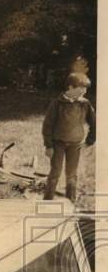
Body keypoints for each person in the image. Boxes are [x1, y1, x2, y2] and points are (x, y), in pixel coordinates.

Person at [42, 72, 96, 202]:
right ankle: (47, 201)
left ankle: (70, 201)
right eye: (81, 87)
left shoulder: (85, 104)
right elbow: (47, 125)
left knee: (72, 174)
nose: (84, 91)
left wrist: (89, 141)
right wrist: (49, 146)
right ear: (70, 87)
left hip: (75, 145)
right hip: (58, 143)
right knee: (55, 173)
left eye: (86, 88)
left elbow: (95, 124)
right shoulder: (57, 103)